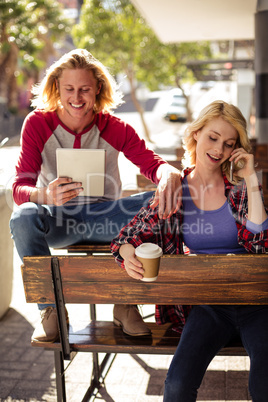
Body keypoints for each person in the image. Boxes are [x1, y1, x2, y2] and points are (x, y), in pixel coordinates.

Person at [10, 48, 182, 343]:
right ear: (56, 89)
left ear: (98, 88)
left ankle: (126, 304)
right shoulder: (38, 123)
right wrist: (44, 195)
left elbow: (154, 165)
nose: (77, 98)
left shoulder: (114, 127)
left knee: (157, 200)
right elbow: (18, 188)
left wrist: (168, 173)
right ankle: (50, 310)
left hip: (108, 220)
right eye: (69, 89)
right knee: (23, 215)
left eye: (85, 89)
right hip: (60, 221)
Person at [111, 100, 268, 401]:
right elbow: (127, 236)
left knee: (264, 386)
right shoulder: (175, 191)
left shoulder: (238, 188)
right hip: (209, 306)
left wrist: (251, 179)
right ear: (196, 133)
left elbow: (260, 243)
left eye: (228, 143)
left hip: (257, 302)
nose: (219, 150)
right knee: (177, 386)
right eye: (213, 137)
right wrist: (127, 253)